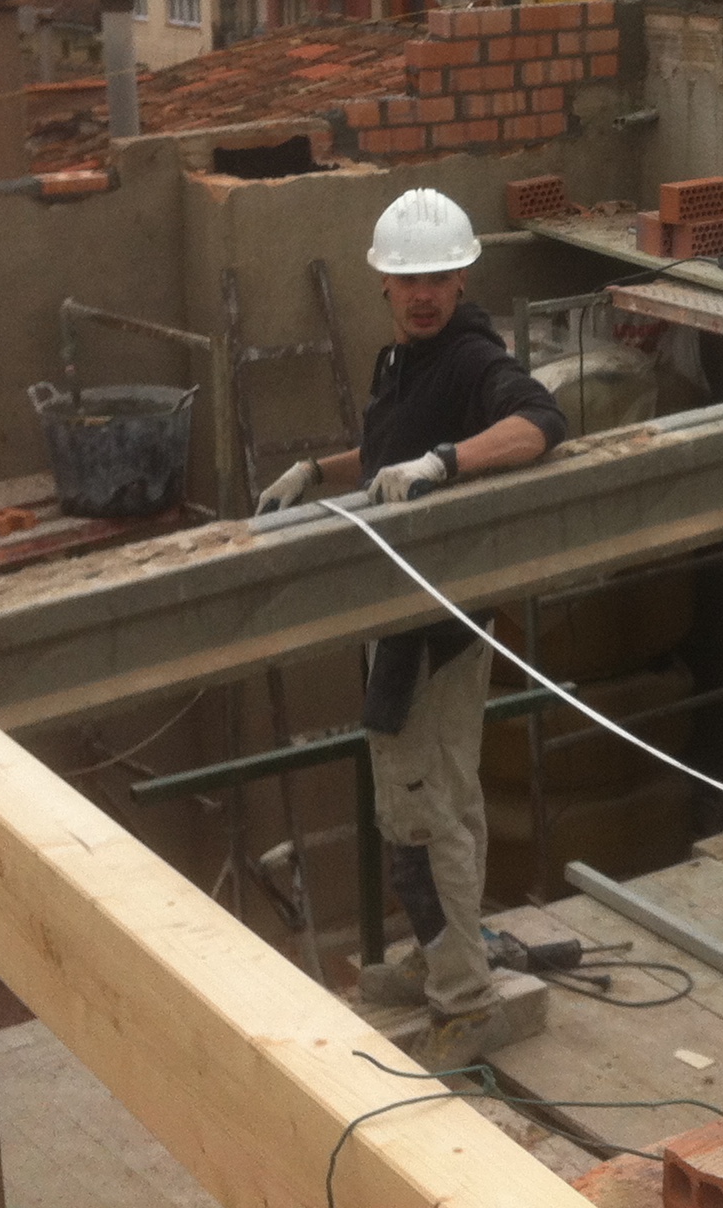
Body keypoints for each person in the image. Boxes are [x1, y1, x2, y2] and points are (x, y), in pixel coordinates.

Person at [256, 186, 565, 1055]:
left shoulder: (470, 360)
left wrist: (448, 460)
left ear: (463, 275)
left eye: (438, 276)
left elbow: (542, 419)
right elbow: (390, 456)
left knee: (419, 813)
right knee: (445, 802)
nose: (423, 292)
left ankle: (464, 993)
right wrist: (319, 470)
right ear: (383, 285)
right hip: (411, 619)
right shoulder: (401, 365)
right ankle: (447, 956)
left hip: (433, 630)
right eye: (407, 279)